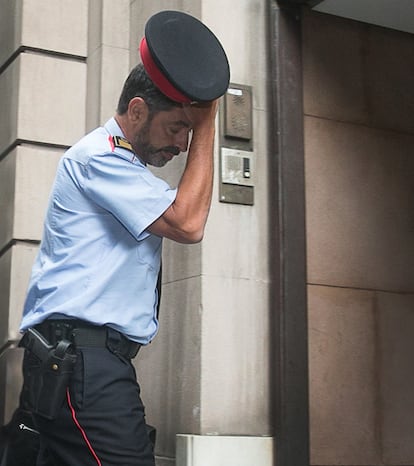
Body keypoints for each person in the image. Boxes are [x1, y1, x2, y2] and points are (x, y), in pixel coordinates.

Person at [14, 10, 230, 465]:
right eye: (178, 127)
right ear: (137, 110)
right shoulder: (99, 157)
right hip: (82, 367)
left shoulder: (124, 168)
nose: (183, 144)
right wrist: (208, 121)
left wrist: (194, 121)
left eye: (189, 132)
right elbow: (188, 222)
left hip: (82, 362)